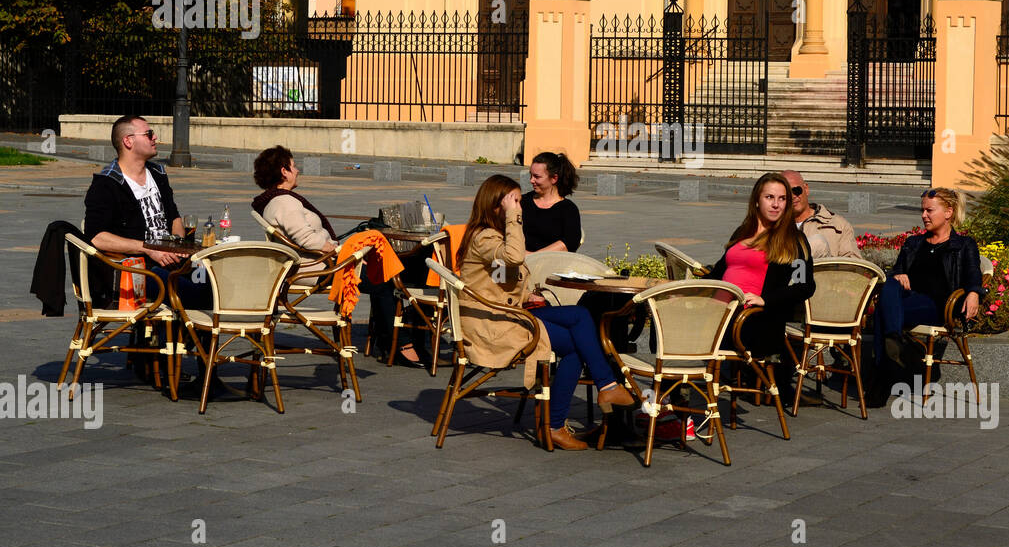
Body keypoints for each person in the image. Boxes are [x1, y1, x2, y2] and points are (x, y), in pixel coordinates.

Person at [458, 175, 635, 450]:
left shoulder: (491, 236)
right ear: (497, 206)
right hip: (494, 324)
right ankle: (562, 420)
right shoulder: (484, 238)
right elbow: (516, 257)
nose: (519, 207)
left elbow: (497, 277)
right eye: (514, 202)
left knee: (579, 316)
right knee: (577, 345)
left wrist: (526, 294)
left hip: (509, 312)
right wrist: (514, 216)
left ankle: (604, 388)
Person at [250, 146, 429, 368]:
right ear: (283, 171)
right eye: (294, 165)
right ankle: (400, 344)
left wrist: (345, 254)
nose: (298, 170)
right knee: (383, 279)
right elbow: (308, 239)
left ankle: (392, 339)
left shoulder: (277, 200)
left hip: (316, 264)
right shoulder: (285, 202)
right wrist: (343, 254)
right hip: (315, 270)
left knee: (383, 270)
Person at [83, 115, 211, 386]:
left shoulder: (158, 173)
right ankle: (198, 362)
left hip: (169, 262)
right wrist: (149, 249)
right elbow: (96, 237)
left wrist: (178, 244)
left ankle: (193, 356)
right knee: (184, 291)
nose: (155, 138)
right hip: (133, 272)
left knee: (216, 282)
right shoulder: (107, 183)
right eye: (149, 133)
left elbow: (174, 215)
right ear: (128, 141)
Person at [704, 172, 815, 407]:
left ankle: (676, 402)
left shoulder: (792, 241)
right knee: (670, 320)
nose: (776, 204)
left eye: (782, 198)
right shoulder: (742, 232)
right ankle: (671, 398)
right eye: (769, 197)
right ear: (757, 200)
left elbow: (804, 286)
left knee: (685, 336)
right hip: (719, 312)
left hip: (753, 320)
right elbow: (718, 273)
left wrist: (766, 299)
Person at [871, 187, 984, 399]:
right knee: (890, 284)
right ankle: (894, 343)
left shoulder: (963, 245)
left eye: (929, 211)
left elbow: (972, 274)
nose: (924, 215)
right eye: (923, 210)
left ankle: (882, 375)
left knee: (881, 313)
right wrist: (898, 275)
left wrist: (974, 293)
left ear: (948, 212)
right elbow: (897, 269)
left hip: (937, 305)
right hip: (907, 300)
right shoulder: (914, 243)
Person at [782, 170, 863, 261]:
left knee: (818, 243)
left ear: (806, 189)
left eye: (796, 190)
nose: (792, 196)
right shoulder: (772, 226)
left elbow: (853, 267)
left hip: (825, 274)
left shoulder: (838, 225)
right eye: (787, 194)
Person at [520, 151, 581, 253]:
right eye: (531, 175)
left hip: (553, 264)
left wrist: (534, 257)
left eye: (537, 177)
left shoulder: (568, 209)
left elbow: (569, 242)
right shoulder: (522, 201)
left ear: (554, 178)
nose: (531, 180)